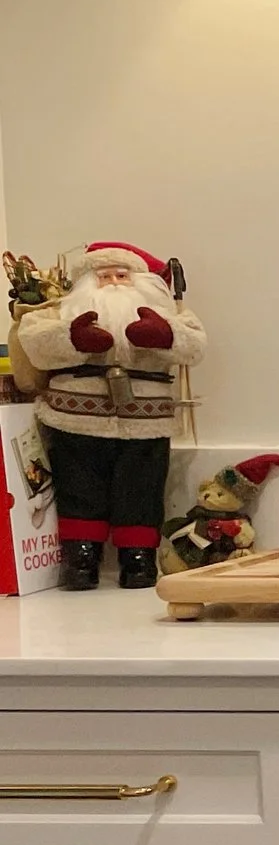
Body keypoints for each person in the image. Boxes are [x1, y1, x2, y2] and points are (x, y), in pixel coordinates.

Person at [12, 242, 207, 590]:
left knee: (143, 490)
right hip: (74, 421)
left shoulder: (167, 312)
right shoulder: (59, 311)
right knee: (79, 488)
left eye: (122, 275)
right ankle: (81, 557)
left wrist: (164, 335)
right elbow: (33, 341)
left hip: (146, 424)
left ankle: (138, 557)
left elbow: (194, 343)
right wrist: (71, 338)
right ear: (88, 281)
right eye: (104, 276)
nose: (114, 282)